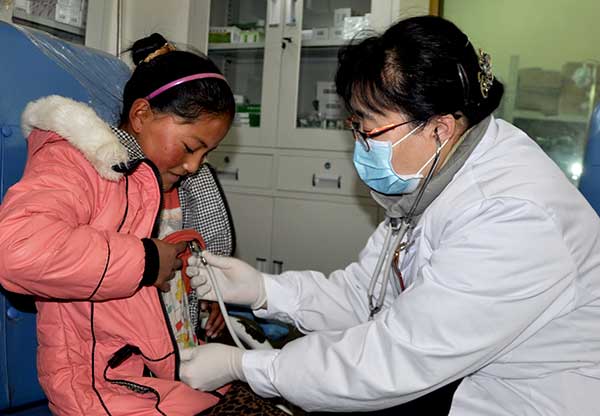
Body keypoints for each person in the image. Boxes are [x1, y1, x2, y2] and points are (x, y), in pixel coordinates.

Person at [178, 16, 600, 415]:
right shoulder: (435, 177)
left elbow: (395, 357)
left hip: (529, 399)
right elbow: (369, 296)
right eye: (355, 125)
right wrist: (264, 291)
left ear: (439, 128)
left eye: (369, 128)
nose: (360, 142)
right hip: (464, 376)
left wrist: (248, 368)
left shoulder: (511, 217)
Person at [0, 33, 234, 415]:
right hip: (104, 389)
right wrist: (145, 260)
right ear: (141, 116)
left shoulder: (185, 184)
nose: (195, 166)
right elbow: (17, 250)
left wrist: (211, 297)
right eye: (191, 148)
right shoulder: (77, 163)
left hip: (177, 370)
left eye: (207, 154)